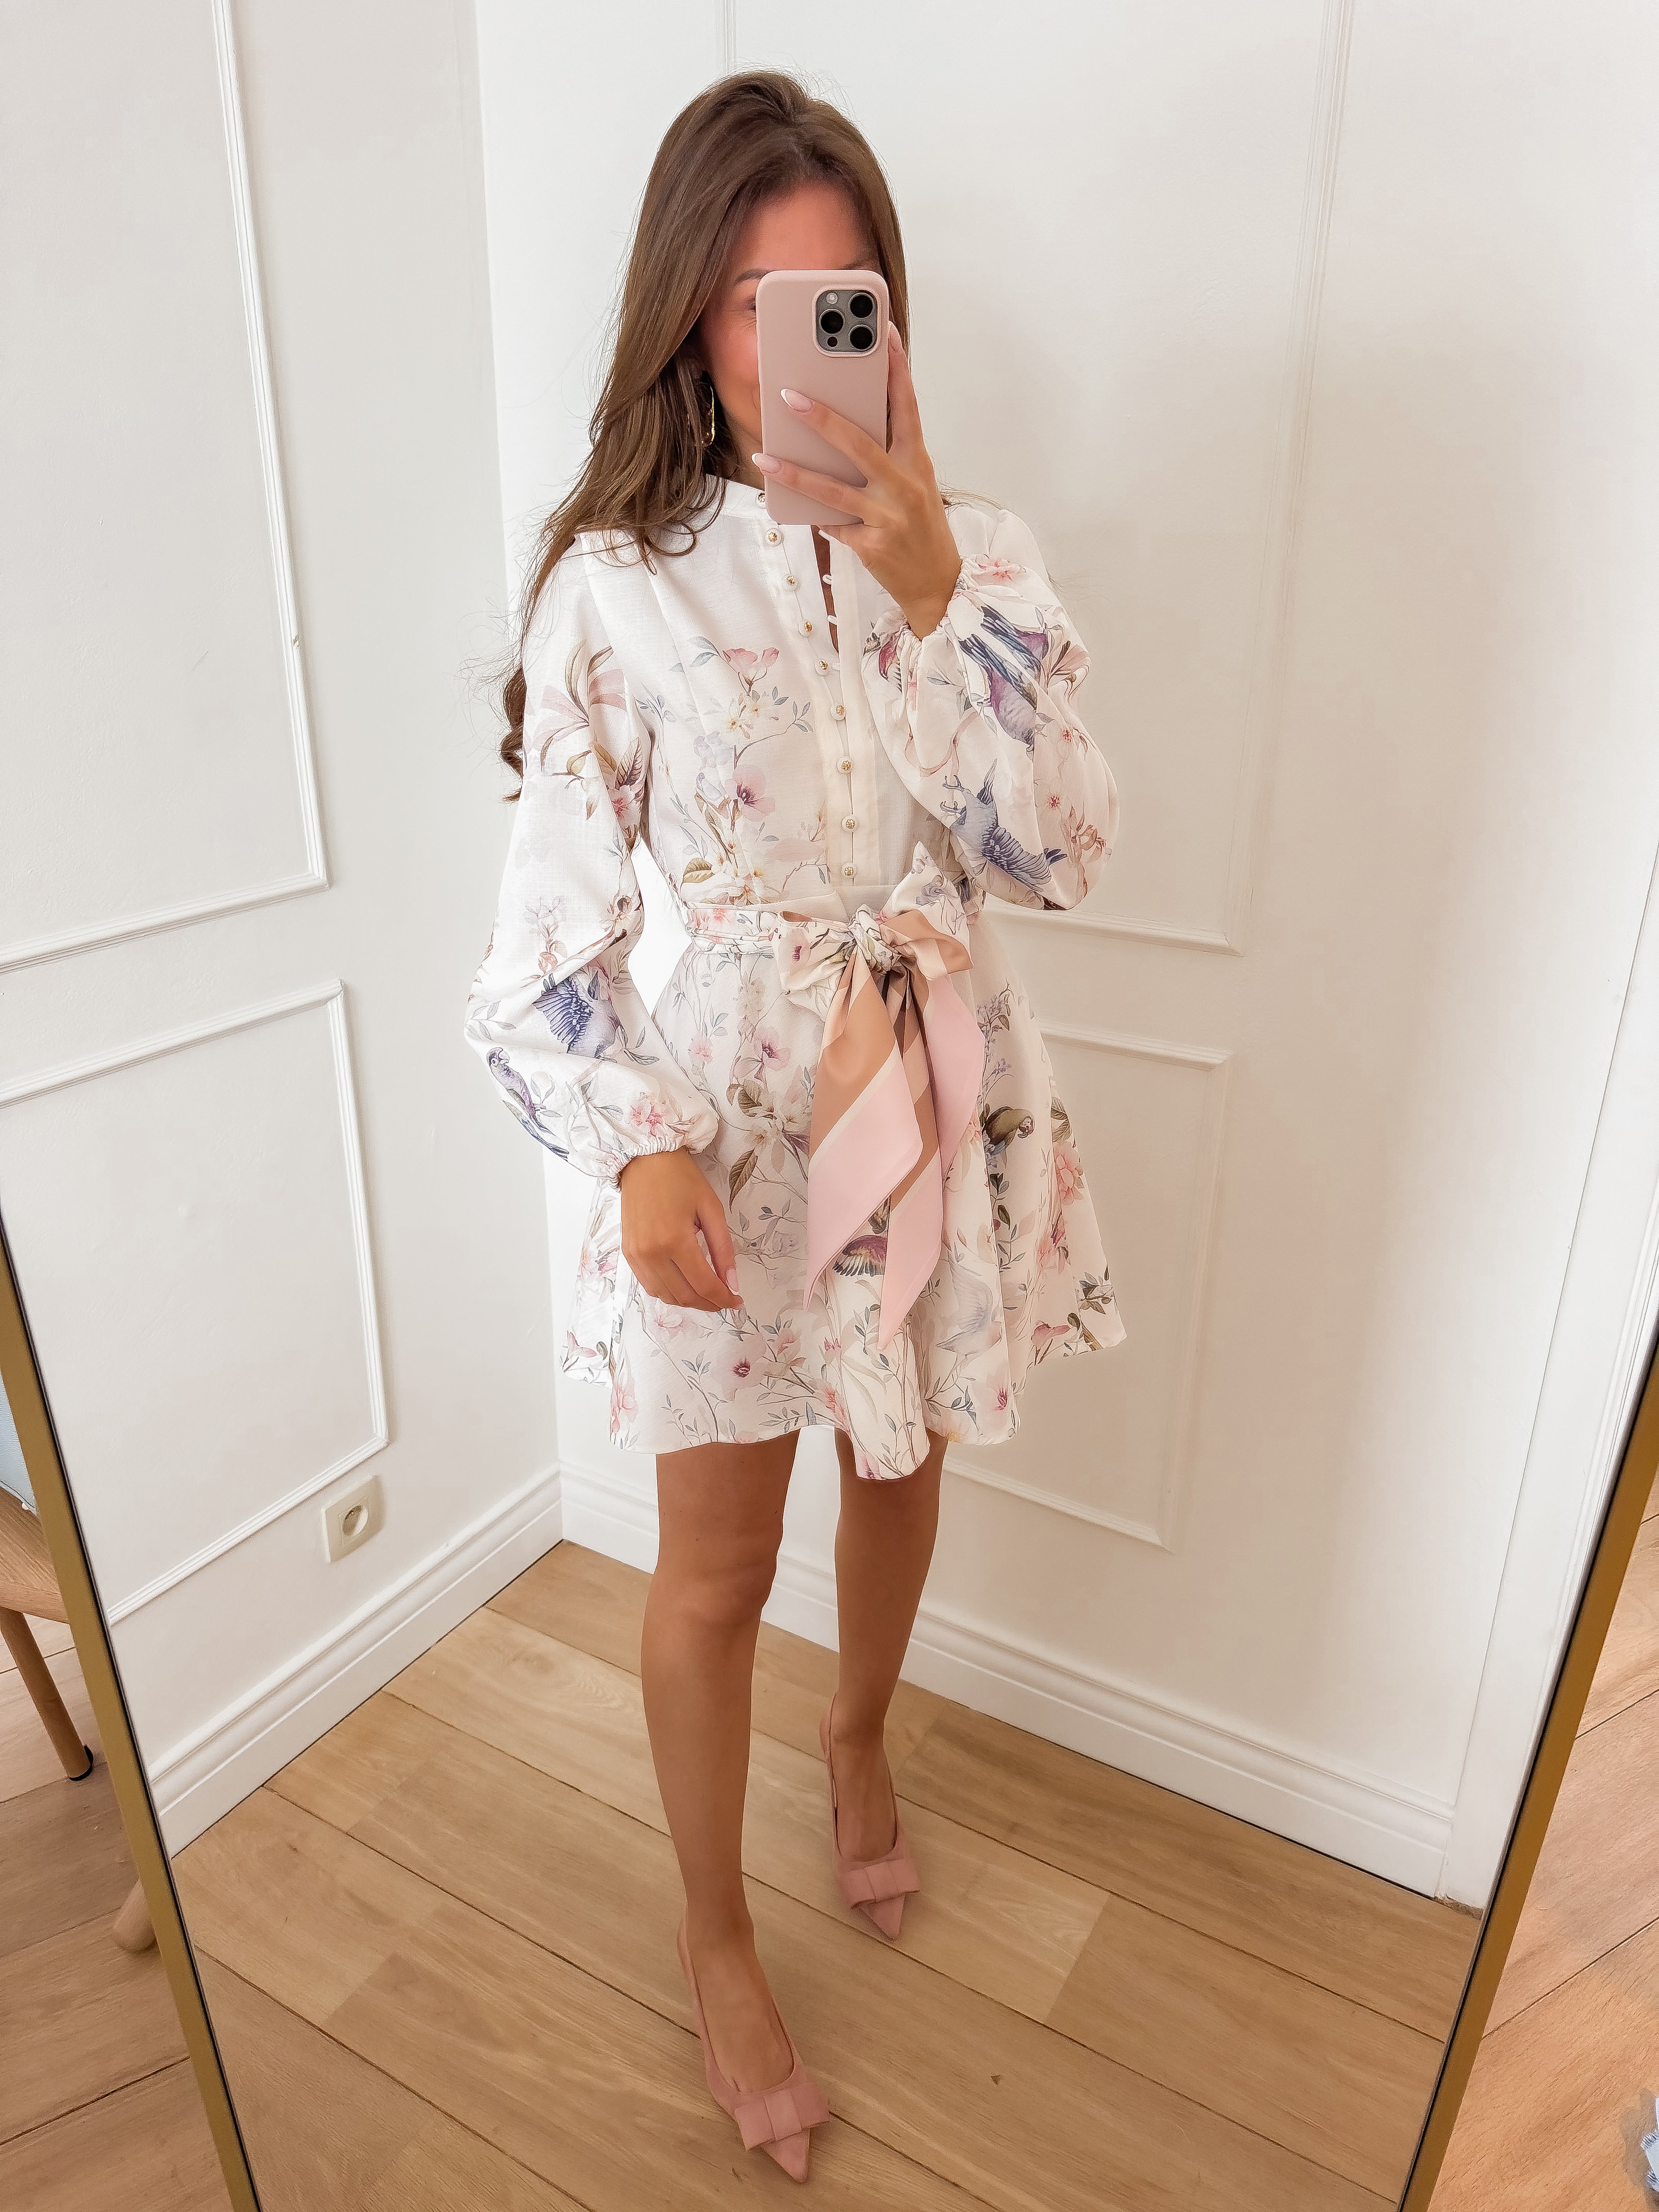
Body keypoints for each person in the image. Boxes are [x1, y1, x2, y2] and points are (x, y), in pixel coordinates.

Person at [465, 69, 1125, 2183]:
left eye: (844, 295)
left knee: (899, 1462)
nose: (803, 338)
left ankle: (856, 1738)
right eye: (759, 299)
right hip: (734, 1134)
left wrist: (936, 593)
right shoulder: (617, 584)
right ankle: (715, 1931)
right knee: (716, 1564)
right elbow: (545, 945)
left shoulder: (981, 555)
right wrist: (639, 1142)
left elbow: (1062, 850)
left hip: (923, 1090)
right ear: (692, 315)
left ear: (888, 313)